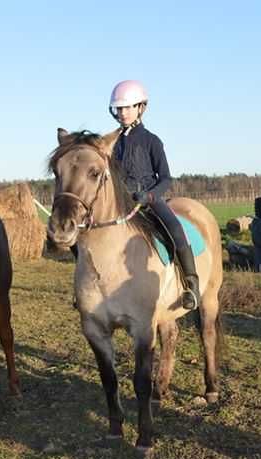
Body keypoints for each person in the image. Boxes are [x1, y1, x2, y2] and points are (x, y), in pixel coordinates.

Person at [108, 80, 200, 310]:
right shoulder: (113, 143)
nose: (123, 113)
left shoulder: (152, 141)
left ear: (140, 107)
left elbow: (166, 178)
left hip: (149, 200)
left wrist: (149, 196)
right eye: (119, 108)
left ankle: (191, 285)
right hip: (122, 203)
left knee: (175, 229)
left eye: (128, 107)